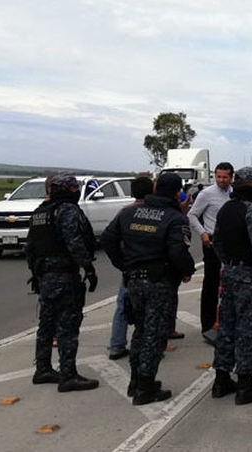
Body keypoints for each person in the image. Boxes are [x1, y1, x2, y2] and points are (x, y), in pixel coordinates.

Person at [102, 172, 196, 404]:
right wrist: (187, 270)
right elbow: (177, 251)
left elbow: (107, 239)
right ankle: (145, 387)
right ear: (177, 192)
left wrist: (124, 265)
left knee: (141, 331)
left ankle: (136, 381)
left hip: (133, 281)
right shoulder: (174, 217)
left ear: (155, 188)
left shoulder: (129, 212)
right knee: (155, 335)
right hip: (159, 284)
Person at [25, 173, 100, 392]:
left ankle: (43, 369)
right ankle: (68, 375)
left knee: (46, 326)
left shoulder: (40, 212)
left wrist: (36, 274)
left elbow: (29, 247)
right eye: (74, 188)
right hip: (64, 276)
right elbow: (74, 242)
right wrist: (89, 268)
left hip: (44, 276)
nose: (76, 192)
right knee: (67, 326)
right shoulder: (66, 210)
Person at [210, 167, 252, 405]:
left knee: (227, 327)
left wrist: (229, 263)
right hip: (249, 275)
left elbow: (216, 241)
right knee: (250, 329)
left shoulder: (226, 209)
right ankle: (245, 384)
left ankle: (221, 378)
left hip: (230, 273)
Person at [107, 175, 155, 361]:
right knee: (150, 310)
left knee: (122, 306)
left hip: (129, 268)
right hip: (151, 269)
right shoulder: (155, 212)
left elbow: (108, 239)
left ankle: (117, 345)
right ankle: (147, 346)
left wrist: (121, 262)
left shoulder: (124, 212)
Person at [188, 162, 235, 343]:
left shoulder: (234, 194)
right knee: (211, 284)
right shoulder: (206, 194)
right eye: (218, 176)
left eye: (225, 177)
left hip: (230, 244)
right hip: (212, 244)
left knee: (229, 285)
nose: (221, 180)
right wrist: (202, 233)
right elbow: (192, 215)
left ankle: (226, 323)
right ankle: (207, 325)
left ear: (231, 177)